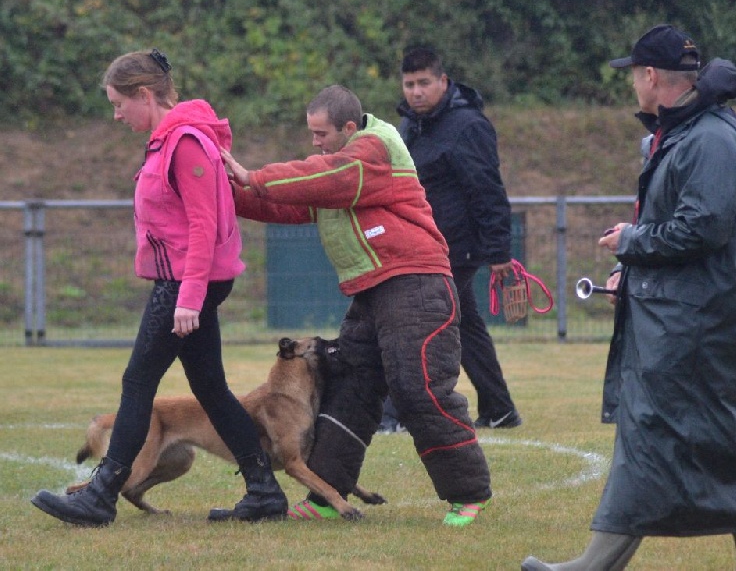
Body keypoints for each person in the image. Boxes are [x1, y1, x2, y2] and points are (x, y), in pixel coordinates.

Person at [522, 25, 736, 570]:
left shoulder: (709, 139)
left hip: (696, 332)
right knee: (649, 444)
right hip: (675, 322)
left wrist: (633, 243)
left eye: (634, 75)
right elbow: (676, 230)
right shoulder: (685, 133)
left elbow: (701, 230)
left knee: (722, 454)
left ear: (651, 76)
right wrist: (627, 270)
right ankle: (594, 565)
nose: (632, 85)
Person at [31, 49, 288, 526]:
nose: (116, 114)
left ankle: (100, 496)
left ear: (144, 95)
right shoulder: (172, 139)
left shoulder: (185, 142)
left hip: (185, 283)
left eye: (118, 104)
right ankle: (264, 491)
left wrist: (188, 297)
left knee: (137, 382)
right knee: (210, 387)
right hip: (189, 280)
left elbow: (202, 224)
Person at [222, 84, 493, 526]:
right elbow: (297, 203)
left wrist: (256, 175)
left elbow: (328, 176)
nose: (315, 142)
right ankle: (328, 494)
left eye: (321, 133)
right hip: (372, 290)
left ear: (349, 128)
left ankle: (469, 493)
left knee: (418, 387)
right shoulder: (340, 167)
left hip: (416, 282)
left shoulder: (374, 148)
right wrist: (225, 192)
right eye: (311, 133)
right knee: (350, 386)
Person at [380, 46, 521, 432]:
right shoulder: (410, 127)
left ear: (443, 82)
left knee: (416, 322)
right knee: (466, 325)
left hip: (455, 247)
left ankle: (395, 414)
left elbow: (488, 190)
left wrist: (498, 251)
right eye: (409, 84)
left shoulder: (467, 126)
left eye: (424, 83)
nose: (416, 92)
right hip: (424, 243)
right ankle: (499, 408)